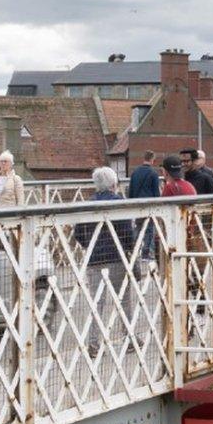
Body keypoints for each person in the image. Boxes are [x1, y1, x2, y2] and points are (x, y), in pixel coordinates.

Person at [73, 167, 135, 357]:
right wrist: (130, 247)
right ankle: (129, 337)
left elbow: (78, 233)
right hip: (116, 257)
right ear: (114, 184)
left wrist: (89, 246)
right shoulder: (118, 202)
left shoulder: (88, 203)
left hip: (94, 258)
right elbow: (127, 232)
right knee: (123, 298)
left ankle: (93, 342)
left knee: (96, 302)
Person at [128, 150, 161, 258]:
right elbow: (156, 194)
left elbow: (131, 191)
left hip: (137, 206)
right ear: (152, 159)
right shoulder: (153, 173)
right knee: (149, 231)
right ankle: (147, 255)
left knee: (137, 229)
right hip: (149, 207)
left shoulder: (135, 172)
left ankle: (133, 250)